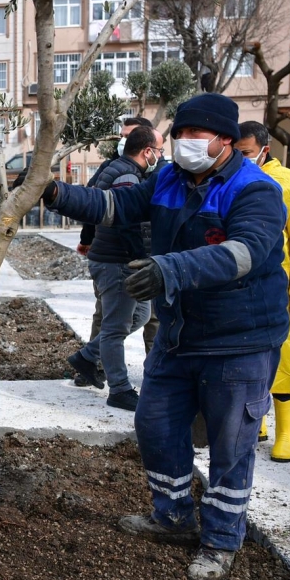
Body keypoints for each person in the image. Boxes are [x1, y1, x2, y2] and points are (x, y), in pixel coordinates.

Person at [40, 93, 289, 580]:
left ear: (224, 140)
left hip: (238, 339)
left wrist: (167, 269)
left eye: (196, 136)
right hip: (179, 335)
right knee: (154, 426)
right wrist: (51, 193)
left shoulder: (254, 189)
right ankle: (172, 515)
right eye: (180, 135)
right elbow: (115, 205)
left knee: (230, 444)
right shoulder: (169, 179)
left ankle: (220, 540)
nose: (185, 144)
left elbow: (245, 253)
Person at [234, 122, 290, 462]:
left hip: (280, 292)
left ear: (264, 150)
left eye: (246, 153)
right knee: (247, 360)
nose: (240, 159)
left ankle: (287, 432)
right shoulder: (227, 182)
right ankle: (259, 420)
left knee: (285, 360)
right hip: (240, 290)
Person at [67, 126, 165, 411]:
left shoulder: (120, 170)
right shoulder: (126, 176)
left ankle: (87, 356)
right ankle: (120, 389)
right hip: (117, 261)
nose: (161, 155)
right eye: (159, 151)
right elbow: (126, 222)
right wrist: (138, 258)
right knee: (115, 327)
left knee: (141, 315)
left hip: (115, 258)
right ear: (147, 151)